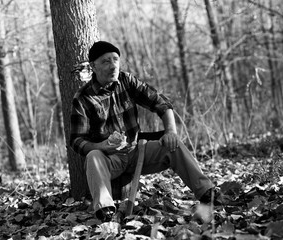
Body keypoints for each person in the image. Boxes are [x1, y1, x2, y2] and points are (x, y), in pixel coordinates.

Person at [70, 41, 219, 222]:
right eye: (106, 61)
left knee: (174, 145)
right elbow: (76, 140)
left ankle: (207, 193)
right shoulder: (83, 97)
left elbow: (162, 104)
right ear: (93, 66)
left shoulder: (127, 81)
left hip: (137, 151)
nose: (113, 65)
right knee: (93, 155)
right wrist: (101, 146)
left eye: (115, 59)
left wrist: (170, 131)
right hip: (108, 159)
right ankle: (106, 211)